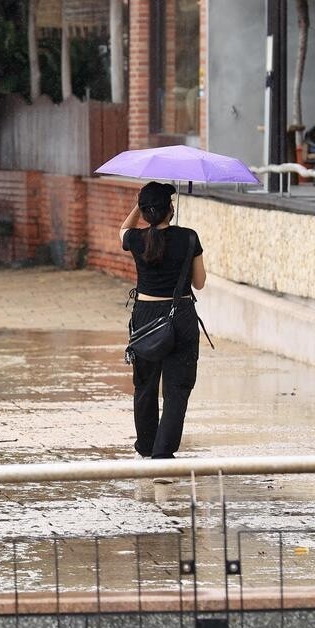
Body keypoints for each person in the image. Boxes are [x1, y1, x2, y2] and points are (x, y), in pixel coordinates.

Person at [119, 181, 207, 461]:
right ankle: (162, 451)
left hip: (145, 316)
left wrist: (141, 204)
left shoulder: (134, 238)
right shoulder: (189, 238)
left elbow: (123, 229)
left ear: (145, 212)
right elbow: (200, 283)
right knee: (177, 388)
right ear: (171, 208)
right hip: (179, 315)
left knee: (144, 385)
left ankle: (146, 447)